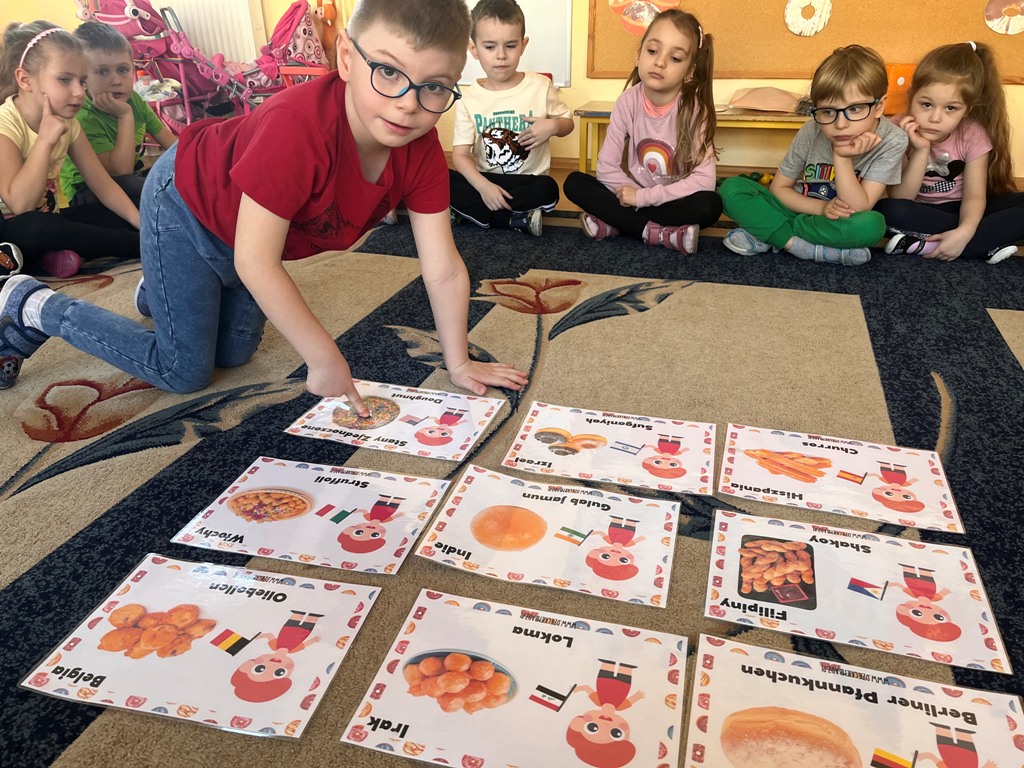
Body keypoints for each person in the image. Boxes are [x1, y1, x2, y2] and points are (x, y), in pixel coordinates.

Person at [0, 0, 529, 402]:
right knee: (183, 371)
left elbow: (443, 268)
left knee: (234, 354)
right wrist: (325, 359)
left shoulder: (421, 148)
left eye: (434, 86)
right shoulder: (298, 126)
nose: (408, 104)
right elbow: (256, 262)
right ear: (347, 57)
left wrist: (458, 362)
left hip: (244, 236)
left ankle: (161, 291)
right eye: (388, 72)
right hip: (186, 200)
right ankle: (32, 305)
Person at [719, 45, 908, 266]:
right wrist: (822, 208)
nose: (840, 124)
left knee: (872, 225)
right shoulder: (811, 130)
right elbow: (779, 188)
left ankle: (772, 233)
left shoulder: (893, 140)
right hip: (799, 209)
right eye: (827, 111)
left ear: (879, 106)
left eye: (855, 109)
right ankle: (800, 247)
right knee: (731, 188)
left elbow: (857, 207)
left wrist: (842, 157)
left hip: (840, 221)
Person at [562, 9, 721, 255]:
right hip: (631, 194)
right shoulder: (627, 102)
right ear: (638, 55)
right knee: (574, 183)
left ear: (690, 71)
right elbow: (606, 166)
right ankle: (661, 233)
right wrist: (631, 194)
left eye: (675, 58)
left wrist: (643, 198)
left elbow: (704, 181)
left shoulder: (694, 111)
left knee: (710, 205)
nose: (660, 62)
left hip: (669, 200)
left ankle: (617, 223)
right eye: (652, 51)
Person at [0, 21, 140, 281]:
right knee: (38, 228)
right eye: (65, 80)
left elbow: (103, 185)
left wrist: (139, 220)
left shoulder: (69, 123)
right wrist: (44, 141)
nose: (78, 92)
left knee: (128, 200)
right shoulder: (5, 123)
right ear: (25, 80)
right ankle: (139, 244)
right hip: (13, 231)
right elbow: (20, 205)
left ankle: (57, 255)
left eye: (82, 81)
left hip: (54, 222)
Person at [876, 41, 1024, 264]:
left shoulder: (973, 133)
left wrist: (964, 230)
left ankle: (950, 241)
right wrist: (921, 149)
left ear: (967, 110)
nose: (935, 118)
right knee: (885, 210)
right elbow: (901, 196)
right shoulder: (897, 129)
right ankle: (982, 243)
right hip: (920, 211)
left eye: (950, 108)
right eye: (926, 105)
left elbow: (974, 197)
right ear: (911, 95)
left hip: (967, 209)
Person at [449, 0, 573, 236]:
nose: (501, 56)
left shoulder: (541, 86)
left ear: (523, 45)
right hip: (485, 180)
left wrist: (554, 126)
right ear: (473, 49)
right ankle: (513, 219)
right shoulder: (468, 99)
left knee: (548, 189)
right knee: (441, 179)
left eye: (511, 45)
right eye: (490, 47)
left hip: (527, 182)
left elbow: (568, 123)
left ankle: (470, 213)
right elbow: (460, 155)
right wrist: (484, 187)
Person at [59, 21, 177, 209]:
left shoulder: (134, 100)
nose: (116, 81)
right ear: (83, 78)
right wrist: (125, 116)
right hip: (87, 191)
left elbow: (172, 145)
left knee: (173, 178)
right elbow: (120, 171)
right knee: (154, 192)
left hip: (130, 178)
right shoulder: (82, 116)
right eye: (102, 72)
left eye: (123, 70)